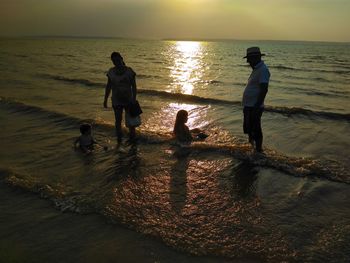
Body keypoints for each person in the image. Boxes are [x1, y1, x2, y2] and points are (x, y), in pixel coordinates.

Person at [103, 52, 137, 142]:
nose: (116, 62)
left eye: (117, 60)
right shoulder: (111, 72)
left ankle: (132, 138)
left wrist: (134, 98)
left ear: (121, 59)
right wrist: (105, 99)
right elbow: (108, 86)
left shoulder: (129, 71)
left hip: (129, 100)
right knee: (118, 121)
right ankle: (119, 139)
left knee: (131, 122)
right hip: (116, 100)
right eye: (114, 61)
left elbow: (134, 86)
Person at [242, 47, 270, 153]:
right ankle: (252, 148)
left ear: (256, 58)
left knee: (256, 128)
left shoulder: (263, 70)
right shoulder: (257, 69)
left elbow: (264, 89)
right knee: (249, 128)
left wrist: (257, 106)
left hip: (254, 106)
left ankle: (258, 150)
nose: (248, 61)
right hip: (249, 105)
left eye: (249, 59)